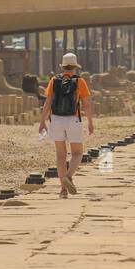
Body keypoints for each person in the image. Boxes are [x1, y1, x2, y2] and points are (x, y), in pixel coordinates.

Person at [38, 53, 94, 198]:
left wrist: (42, 121)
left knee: (60, 155)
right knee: (77, 153)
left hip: (56, 119)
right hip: (73, 120)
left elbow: (48, 103)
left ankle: (63, 190)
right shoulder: (80, 82)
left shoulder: (54, 81)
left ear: (63, 67)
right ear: (75, 67)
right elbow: (86, 105)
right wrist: (90, 122)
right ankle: (68, 177)